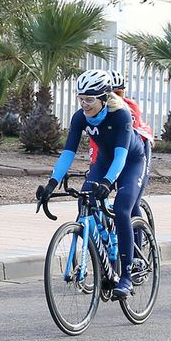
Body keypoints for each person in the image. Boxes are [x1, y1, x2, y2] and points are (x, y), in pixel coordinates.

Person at [38, 69, 148, 296]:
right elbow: (67, 154)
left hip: (130, 161)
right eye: (81, 99)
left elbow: (121, 157)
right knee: (85, 201)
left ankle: (126, 276)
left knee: (122, 208)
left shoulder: (121, 115)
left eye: (89, 100)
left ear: (104, 98)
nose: (84, 105)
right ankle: (102, 259)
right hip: (105, 160)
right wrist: (51, 183)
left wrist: (108, 183)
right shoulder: (80, 117)